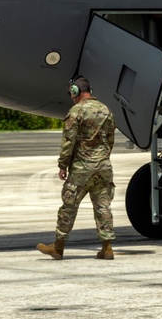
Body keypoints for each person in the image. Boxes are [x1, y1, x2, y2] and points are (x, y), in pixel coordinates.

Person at [37, 76, 117, 260]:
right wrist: (102, 158)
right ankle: (107, 248)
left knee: (69, 206)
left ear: (75, 92)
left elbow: (68, 141)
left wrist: (63, 164)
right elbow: (110, 140)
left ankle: (58, 247)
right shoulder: (106, 110)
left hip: (82, 168)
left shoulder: (76, 111)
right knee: (103, 205)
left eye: (71, 93)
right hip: (103, 167)